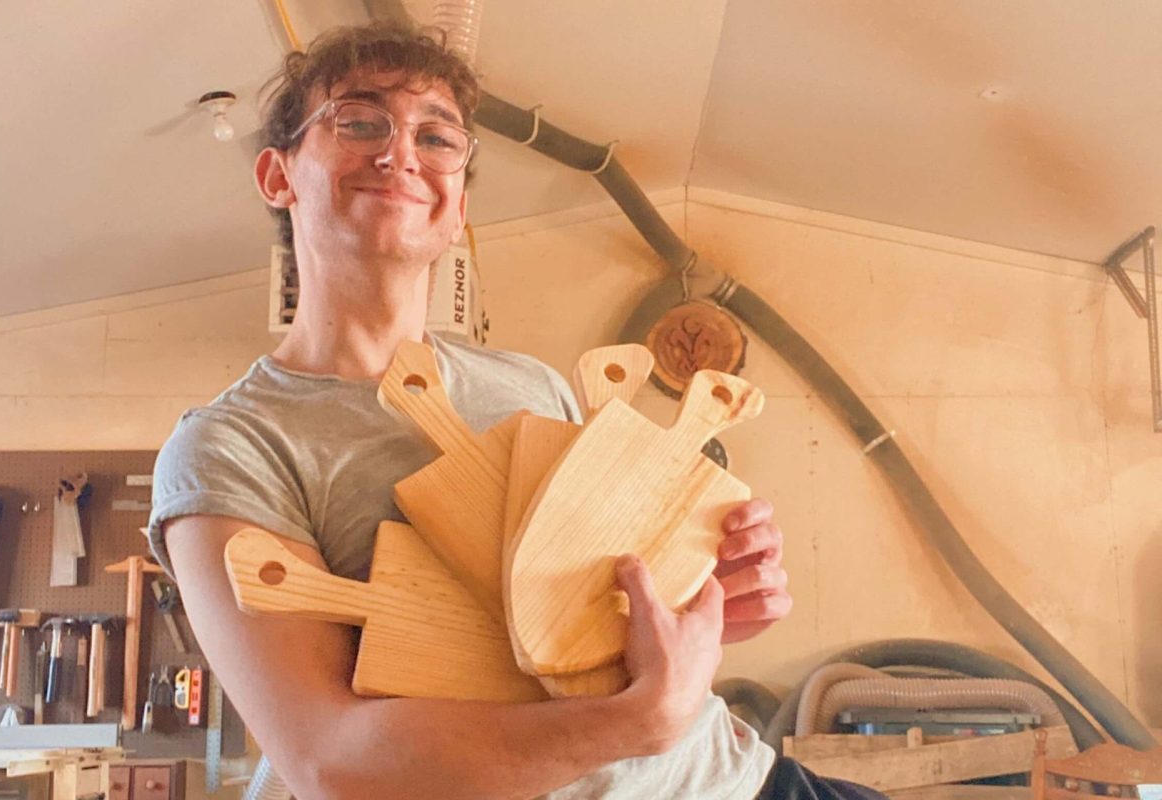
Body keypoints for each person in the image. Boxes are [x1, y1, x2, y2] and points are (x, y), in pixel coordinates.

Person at [150, 23, 800, 799]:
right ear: (277, 174)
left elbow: (587, 622)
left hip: (743, 777)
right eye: (359, 122)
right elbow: (329, 761)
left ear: (457, 207)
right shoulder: (229, 447)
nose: (400, 154)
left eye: (436, 136)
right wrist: (637, 725)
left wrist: (701, 598)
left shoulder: (532, 384)